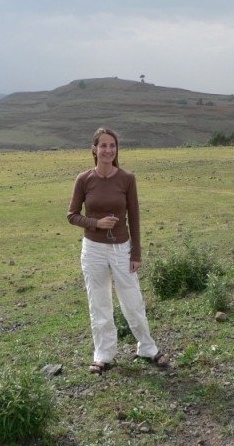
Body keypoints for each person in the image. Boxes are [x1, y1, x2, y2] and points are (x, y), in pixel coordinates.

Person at [67, 127, 168, 374]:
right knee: (99, 303)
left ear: (116, 150)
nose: (108, 150)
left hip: (122, 249)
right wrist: (96, 223)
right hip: (93, 250)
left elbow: (134, 217)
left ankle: (147, 348)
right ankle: (104, 355)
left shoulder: (126, 179)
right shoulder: (84, 179)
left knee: (132, 300)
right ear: (94, 149)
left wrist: (136, 254)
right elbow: (72, 215)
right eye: (103, 146)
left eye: (112, 146)